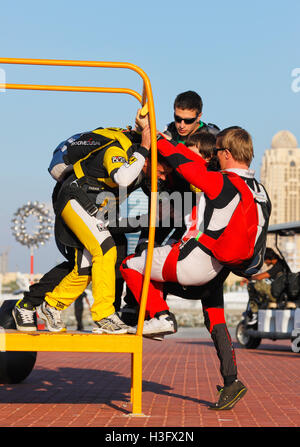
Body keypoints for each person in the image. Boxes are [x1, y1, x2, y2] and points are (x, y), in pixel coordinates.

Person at [121, 126, 271, 410]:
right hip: (221, 268)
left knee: (131, 265)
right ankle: (231, 382)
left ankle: (161, 315)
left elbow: (182, 163)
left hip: (194, 262)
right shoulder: (259, 190)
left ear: (226, 154)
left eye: (217, 153)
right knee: (216, 321)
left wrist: (155, 138)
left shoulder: (220, 182)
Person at [12, 128, 174, 333]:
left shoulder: (142, 174)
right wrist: (144, 147)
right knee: (106, 249)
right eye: (161, 171)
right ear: (148, 159)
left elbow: (116, 218)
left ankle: (53, 305)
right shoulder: (117, 152)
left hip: (91, 209)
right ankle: (104, 314)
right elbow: (123, 178)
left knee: (85, 268)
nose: (163, 177)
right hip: (73, 199)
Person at [246, 247, 287, 324]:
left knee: (253, 285)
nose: (264, 262)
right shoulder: (280, 263)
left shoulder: (279, 266)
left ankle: (255, 313)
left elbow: (262, 276)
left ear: (269, 259)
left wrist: (248, 278)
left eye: (264, 260)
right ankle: (260, 307)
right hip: (279, 293)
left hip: (278, 295)